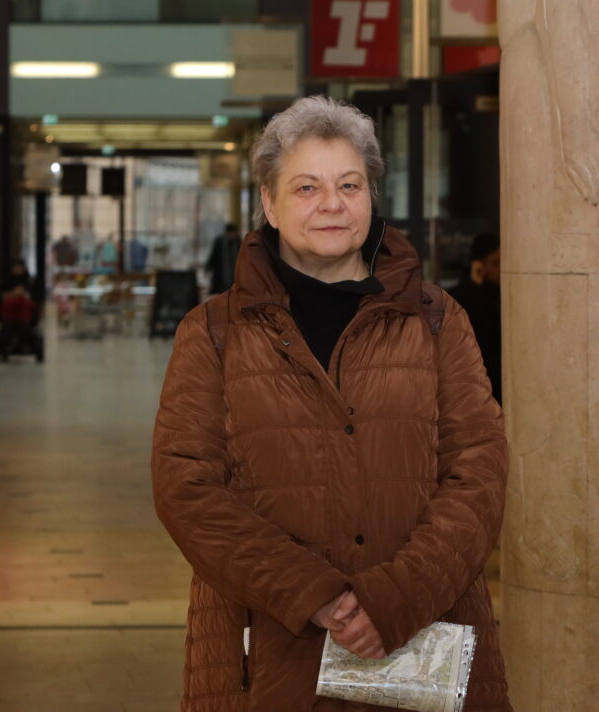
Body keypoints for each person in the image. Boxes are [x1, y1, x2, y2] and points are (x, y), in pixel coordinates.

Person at [151, 96, 511, 711]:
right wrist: (312, 593)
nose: (332, 204)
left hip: (422, 645)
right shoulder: (213, 331)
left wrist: (394, 598)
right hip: (267, 658)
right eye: (306, 187)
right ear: (269, 202)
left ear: (371, 196)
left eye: (349, 184)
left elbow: (479, 467)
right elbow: (186, 487)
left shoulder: (435, 320)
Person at [449, 233, 502, 403]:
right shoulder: (466, 295)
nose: (501, 269)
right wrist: (474, 284)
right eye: (495, 263)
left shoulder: (505, 294)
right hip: (476, 388)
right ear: (480, 265)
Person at [204, 222, 242, 294]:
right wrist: (208, 268)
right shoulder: (219, 242)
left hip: (233, 275)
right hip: (221, 274)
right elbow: (213, 256)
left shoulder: (238, 242)